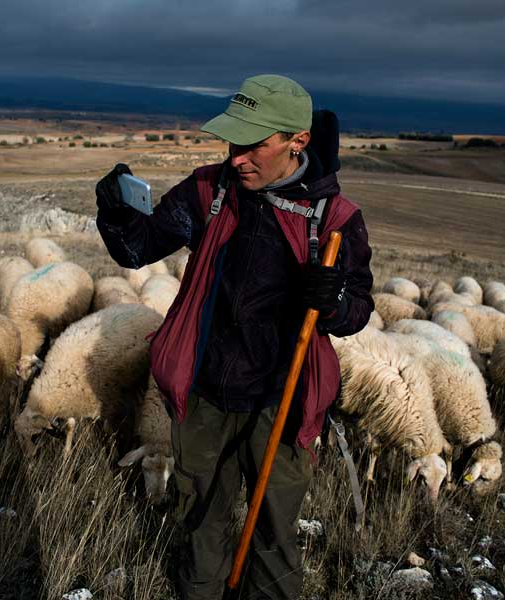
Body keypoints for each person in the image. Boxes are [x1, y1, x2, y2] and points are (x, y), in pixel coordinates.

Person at [95, 74, 374, 600]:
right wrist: (115, 211)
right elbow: (138, 249)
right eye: (233, 141)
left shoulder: (336, 219)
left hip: (281, 400)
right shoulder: (208, 191)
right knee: (201, 519)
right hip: (206, 392)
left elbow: (356, 311)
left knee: (273, 532)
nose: (238, 156)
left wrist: (332, 299)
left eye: (254, 144)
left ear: (298, 141)